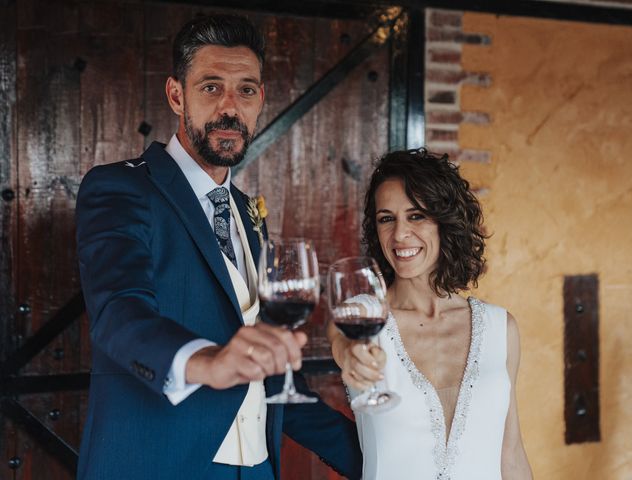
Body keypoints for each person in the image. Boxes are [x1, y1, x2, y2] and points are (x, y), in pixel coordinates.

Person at [75, 14, 361, 480]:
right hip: (158, 466)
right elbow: (119, 312)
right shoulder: (120, 189)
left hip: (258, 469)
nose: (231, 107)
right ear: (175, 94)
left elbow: (274, 382)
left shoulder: (251, 218)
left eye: (246, 90)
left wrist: (383, 463)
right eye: (211, 87)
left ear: (261, 99)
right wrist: (206, 361)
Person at [328, 148, 533, 479]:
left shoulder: (501, 328)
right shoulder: (362, 315)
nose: (399, 234)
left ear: (445, 222)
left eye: (416, 215)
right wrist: (351, 354)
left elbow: (510, 453)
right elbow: (341, 339)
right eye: (386, 219)